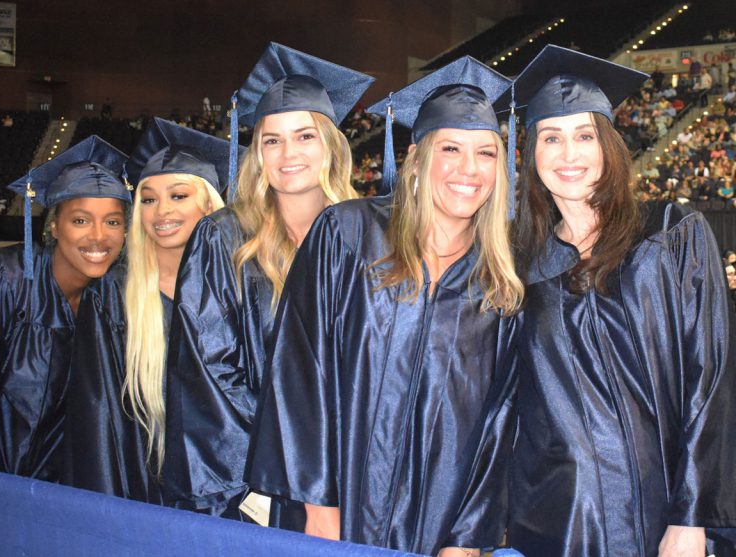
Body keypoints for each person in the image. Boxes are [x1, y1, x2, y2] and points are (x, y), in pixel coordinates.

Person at [247, 56, 524, 556]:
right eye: (452, 148)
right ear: (416, 156)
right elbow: (299, 368)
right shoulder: (348, 233)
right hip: (334, 509)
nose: (470, 169)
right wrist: (318, 504)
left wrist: (465, 538)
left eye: (486, 153)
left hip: (437, 523)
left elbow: (498, 421)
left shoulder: (500, 281)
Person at [510, 44, 736, 557]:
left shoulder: (670, 234)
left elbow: (711, 375)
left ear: (608, 144)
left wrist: (692, 517)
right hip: (557, 519)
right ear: (531, 153)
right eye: (551, 137)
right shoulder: (518, 263)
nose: (569, 155)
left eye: (584, 135)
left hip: (664, 511)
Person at [162, 43, 373, 519]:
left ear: (331, 146)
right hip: (264, 480)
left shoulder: (367, 236)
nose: (288, 154)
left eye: (304, 136)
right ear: (257, 152)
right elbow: (209, 370)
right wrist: (294, 463)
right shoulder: (223, 238)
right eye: (272, 140)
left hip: (359, 472)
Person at [62, 118, 231, 503]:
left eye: (178, 196)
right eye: (149, 199)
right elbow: (98, 416)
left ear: (209, 204)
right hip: (145, 487)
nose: (161, 211)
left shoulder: (240, 288)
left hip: (234, 488)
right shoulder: (112, 296)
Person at [0, 136, 131, 482]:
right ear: (54, 226)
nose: (99, 237)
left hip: (53, 491)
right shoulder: (2, 281)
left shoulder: (112, 299)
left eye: (113, 222)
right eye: (81, 221)